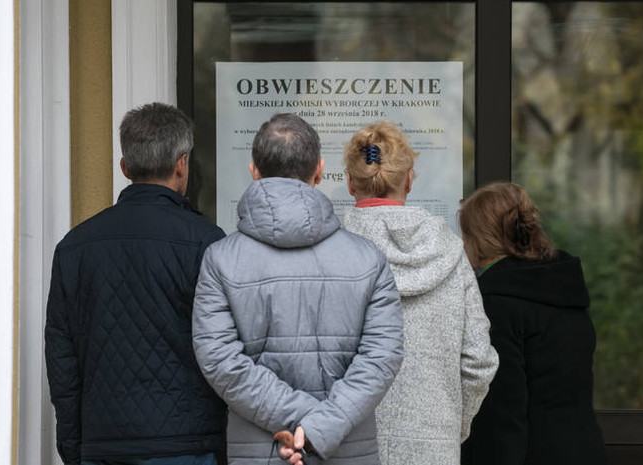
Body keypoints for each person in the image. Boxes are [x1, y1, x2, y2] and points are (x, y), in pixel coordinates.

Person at [191, 113, 404, 465]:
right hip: (345, 448)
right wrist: (318, 427)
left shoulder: (220, 260)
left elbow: (220, 361)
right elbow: (382, 357)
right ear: (319, 171)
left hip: (263, 449)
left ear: (253, 171)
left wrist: (301, 422)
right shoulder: (368, 259)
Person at [45, 103, 227, 465]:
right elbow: (223, 351)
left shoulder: (75, 246)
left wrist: (73, 445)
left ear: (125, 167)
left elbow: (62, 359)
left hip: (103, 445)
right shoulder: (206, 242)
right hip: (186, 446)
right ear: (182, 164)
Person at [341, 122, 498, 465]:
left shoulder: (329, 252)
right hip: (434, 446)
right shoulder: (451, 253)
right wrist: (451, 427)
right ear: (409, 180)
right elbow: (479, 361)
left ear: (350, 181)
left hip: (346, 444)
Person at [458, 182, 607, 465]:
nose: (462, 245)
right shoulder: (564, 289)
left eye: (465, 235)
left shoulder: (495, 304)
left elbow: (501, 417)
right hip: (584, 450)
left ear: (479, 239)